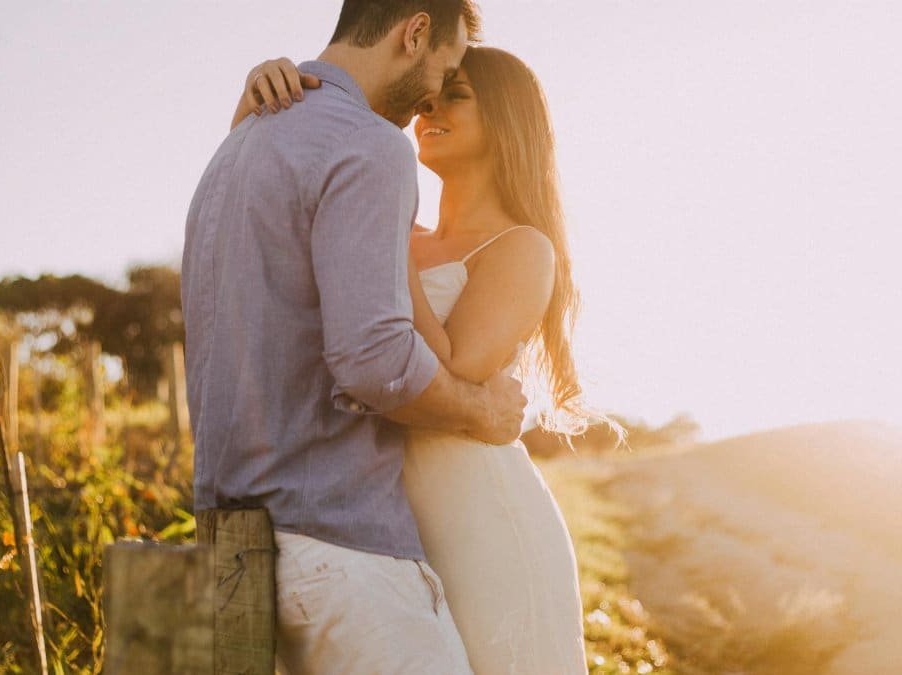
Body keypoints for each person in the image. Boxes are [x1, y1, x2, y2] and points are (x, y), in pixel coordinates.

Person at [238, 44, 625, 675]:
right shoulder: (391, 227)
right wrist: (253, 101)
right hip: (383, 526)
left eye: (458, 95)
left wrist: (387, 234)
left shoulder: (523, 248)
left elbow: (453, 372)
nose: (430, 107)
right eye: (430, 96)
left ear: (508, 118)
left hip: (482, 519)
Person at [181, 2, 530, 674]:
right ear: (416, 32)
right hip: (341, 554)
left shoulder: (234, 149)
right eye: (447, 69)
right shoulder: (369, 144)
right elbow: (374, 361)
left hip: (232, 550)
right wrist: (481, 408)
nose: (435, 96)